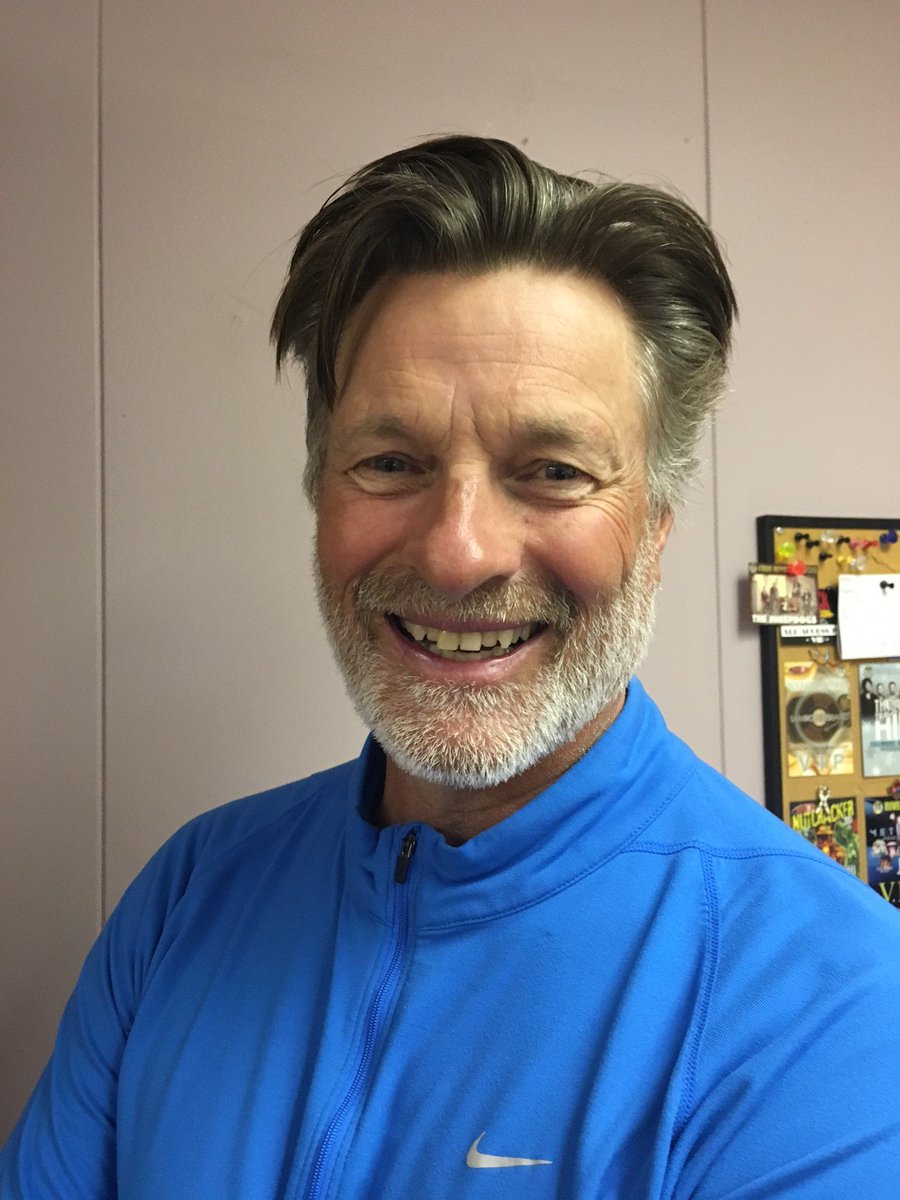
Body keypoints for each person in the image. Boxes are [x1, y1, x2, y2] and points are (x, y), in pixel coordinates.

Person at [3, 134, 900, 1198]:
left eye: (553, 471)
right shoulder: (192, 893)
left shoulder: (835, 1002)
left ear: (655, 528)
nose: (457, 553)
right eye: (391, 462)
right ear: (320, 492)